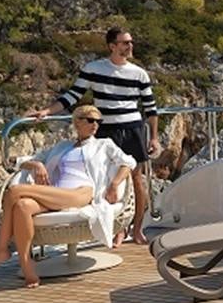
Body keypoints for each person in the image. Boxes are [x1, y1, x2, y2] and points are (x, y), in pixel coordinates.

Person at [0, 106, 135, 288]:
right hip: (55, 193)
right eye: (90, 120)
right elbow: (22, 161)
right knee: (23, 206)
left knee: (14, 192)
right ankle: (27, 266)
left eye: (98, 121)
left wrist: (114, 184)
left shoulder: (103, 145)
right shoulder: (62, 147)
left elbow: (128, 162)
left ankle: (1, 249)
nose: (95, 125)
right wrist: (36, 164)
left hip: (81, 193)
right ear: (77, 122)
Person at [28, 26, 159, 245]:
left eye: (131, 42)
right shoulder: (94, 69)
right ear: (112, 46)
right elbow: (73, 95)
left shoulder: (139, 74)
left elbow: (151, 109)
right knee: (108, 178)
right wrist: (47, 111)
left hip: (134, 129)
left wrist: (153, 137)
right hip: (106, 129)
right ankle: (118, 228)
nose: (130, 46)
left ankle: (137, 228)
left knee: (137, 180)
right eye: (125, 42)